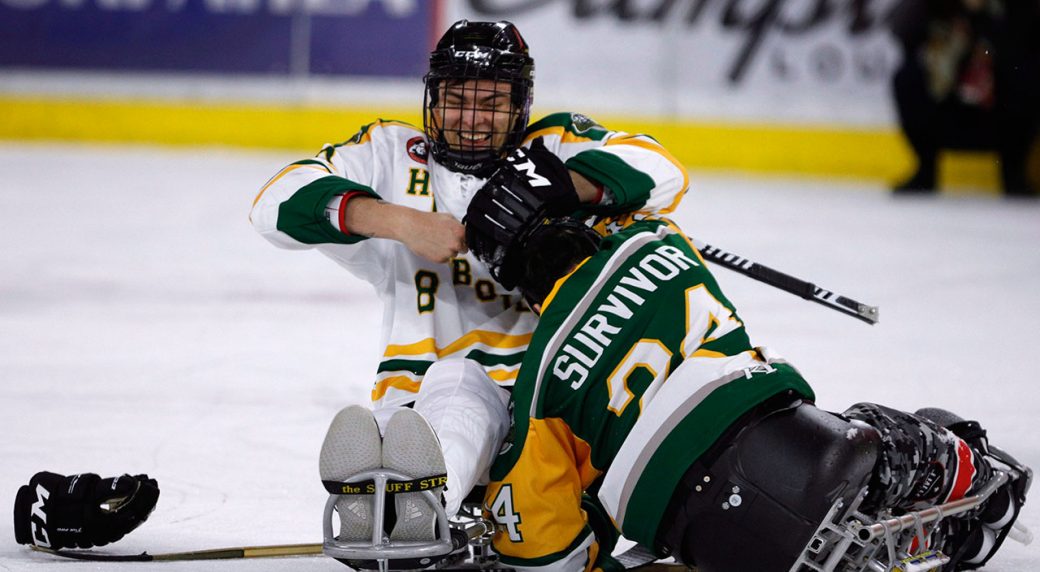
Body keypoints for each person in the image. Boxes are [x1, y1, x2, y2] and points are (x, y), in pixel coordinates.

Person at [251, 19, 688, 530]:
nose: (472, 119)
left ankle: (416, 503)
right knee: (441, 394)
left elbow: (663, 169)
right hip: (419, 405)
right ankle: (404, 499)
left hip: (546, 414)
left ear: (520, 105)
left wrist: (556, 187)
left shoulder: (553, 146)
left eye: (492, 103)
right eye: (457, 99)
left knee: (467, 384)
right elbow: (272, 205)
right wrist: (400, 222)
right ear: (432, 100)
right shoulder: (393, 155)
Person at [454, 185, 1029, 570]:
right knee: (874, 432)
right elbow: (641, 178)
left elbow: (546, 545)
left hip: (714, 537)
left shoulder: (541, 380)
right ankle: (956, 468)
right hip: (803, 444)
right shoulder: (660, 242)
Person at [888, 0, 1039, 196]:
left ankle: (1013, 171)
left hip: (996, 115)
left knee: (1027, 77)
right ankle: (925, 169)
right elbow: (903, 29)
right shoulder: (936, 9)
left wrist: (985, 21)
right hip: (947, 111)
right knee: (907, 77)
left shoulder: (1013, 10)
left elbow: (1028, 45)